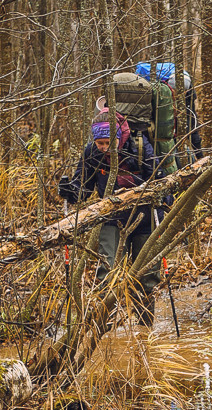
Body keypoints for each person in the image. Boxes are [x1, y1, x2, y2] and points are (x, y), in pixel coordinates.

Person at [58, 111, 165, 325]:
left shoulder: (139, 147)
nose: (105, 147)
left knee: (147, 277)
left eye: (109, 142)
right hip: (111, 219)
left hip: (144, 218)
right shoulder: (91, 153)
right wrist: (69, 190)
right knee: (107, 274)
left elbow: (159, 181)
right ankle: (102, 328)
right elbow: (83, 188)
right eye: (100, 143)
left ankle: (145, 330)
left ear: (119, 137)